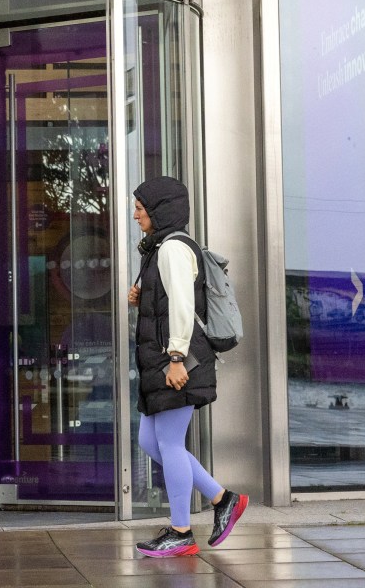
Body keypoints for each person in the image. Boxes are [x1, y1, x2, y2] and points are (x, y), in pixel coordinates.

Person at [127, 175, 247, 558]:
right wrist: (142, 296)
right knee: (151, 440)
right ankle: (222, 498)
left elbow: (181, 304)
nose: (135, 215)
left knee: (169, 444)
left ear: (159, 211)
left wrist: (177, 358)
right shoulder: (161, 248)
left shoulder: (172, 249)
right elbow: (167, 301)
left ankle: (181, 530)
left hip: (178, 362)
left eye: (140, 209)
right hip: (163, 361)